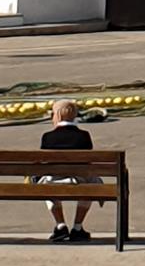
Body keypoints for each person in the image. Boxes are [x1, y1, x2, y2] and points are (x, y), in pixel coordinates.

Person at [36, 100, 100, 242]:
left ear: (57, 116)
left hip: (54, 181)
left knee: (45, 182)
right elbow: (88, 162)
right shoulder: (84, 136)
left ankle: (60, 225)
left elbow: (44, 163)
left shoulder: (47, 137)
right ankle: (77, 227)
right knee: (90, 182)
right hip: (79, 181)